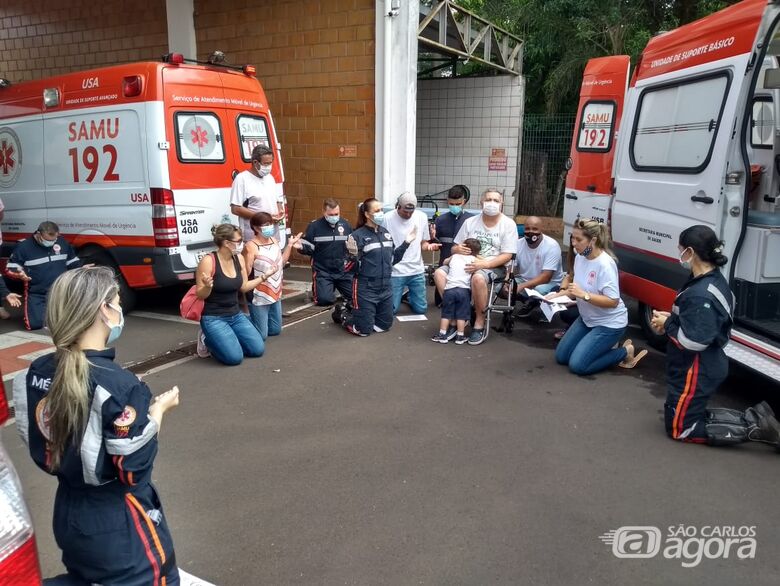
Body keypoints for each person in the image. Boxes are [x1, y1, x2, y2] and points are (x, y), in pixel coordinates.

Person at [14, 266, 181, 585]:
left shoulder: (36, 371)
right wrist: (157, 411)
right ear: (104, 309)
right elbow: (132, 469)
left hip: (68, 511)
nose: (120, 308)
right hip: (119, 520)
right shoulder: (120, 385)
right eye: (117, 301)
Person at [650, 225, 780, 448]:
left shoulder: (701, 294)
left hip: (696, 368)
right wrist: (670, 319)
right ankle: (756, 418)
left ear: (690, 252)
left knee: (681, 430)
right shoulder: (709, 279)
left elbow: (694, 341)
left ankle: (756, 429)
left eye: (680, 249)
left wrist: (668, 323)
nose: (678, 253)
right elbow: (698, 322)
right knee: (687, 414)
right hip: (699, 365)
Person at [554, 218, 646, 375]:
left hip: (609, 324)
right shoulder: (580, 257)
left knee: (578, 366)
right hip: (587, 319)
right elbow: (575, 288)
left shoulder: (605, 264)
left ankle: (625, 351)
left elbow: (613, 301)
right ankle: (600, 347)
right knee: (561, 357)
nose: (573, 243)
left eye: (578, 239)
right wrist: (554, 297)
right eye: (572, 237)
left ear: (593, 240)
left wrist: (585, 296)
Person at [433, 189, 517, 345]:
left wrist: (485, 264)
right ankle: (455, 315)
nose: (492, 203)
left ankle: (479, 321)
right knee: (439, 273)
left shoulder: (508, 224)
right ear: (481, 202)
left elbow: (508, 255)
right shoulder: (470, 222)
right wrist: (457, 249)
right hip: (463, 263)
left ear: (502, 204)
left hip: (492, 266)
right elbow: (455, 247)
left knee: (478, 278)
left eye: (496, 200)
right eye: (488, 199)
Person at [339, 197, 415, 336]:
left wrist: (406, 243)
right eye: (377, 210)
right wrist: (352, 256)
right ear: (367, 214)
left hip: (385, 287)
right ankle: (343, 314)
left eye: (381, 210)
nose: (381, 213)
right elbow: (348, 268)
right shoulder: (356, 236)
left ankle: (359, 312)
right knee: (364, 331)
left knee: (383, 326)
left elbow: (392, 259)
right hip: (365, 288)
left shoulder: (385, 233)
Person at [195, 224, 266, 365]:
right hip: (214, 317)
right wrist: (208, 286)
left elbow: (244, 287)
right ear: (226, 243)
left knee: (257, 350)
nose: (241, 244)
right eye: (238, 241)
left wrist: (264, 277)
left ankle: (226, 339)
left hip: (236, 314)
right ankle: (206, 338)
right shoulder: (209, 261)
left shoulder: (238, 258)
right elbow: (200, 295)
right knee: (234, 358)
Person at [6, 221, 82, 330]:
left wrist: (82, 268)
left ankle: (56, 315)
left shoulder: (62, 242)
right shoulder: (24, 247)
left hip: (61, 290)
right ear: (39, 234)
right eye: (48, 240)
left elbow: (72, 262)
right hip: (37, 292)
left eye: (54, 239)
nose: (52, 243)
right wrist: (18, 274)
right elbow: (10, 268)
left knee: (72, 321)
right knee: (35, 324)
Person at [243, 212, 302, 340]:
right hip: (258, 294)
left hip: (275, 291)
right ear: (256, 228)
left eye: (270, 224)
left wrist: (290, 245)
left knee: (275, 330)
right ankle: (239, 321)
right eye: (266, 225)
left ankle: (253, 320)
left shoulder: (274, 240)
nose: (270, 227)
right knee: (262, 335)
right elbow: (246, 274)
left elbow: (282, 262)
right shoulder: (250, 246)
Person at [383, 192, 440, 315]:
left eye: (411, 212)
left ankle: (408, 296)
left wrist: (429, 246)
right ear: (397, 206)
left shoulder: (421, 217)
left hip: (416, 269)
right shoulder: (387, 218)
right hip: (396, 270)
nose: (408, 214)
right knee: (391, 311)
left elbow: (423, 243)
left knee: (421, 310)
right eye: (405, 211)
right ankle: (402, 296)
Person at [298, 198, 353, 306]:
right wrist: (301, 247)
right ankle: (323, 288)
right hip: (323, 271)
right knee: (324, 300)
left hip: (342, 271)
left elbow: (351, 247)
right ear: (324, 212)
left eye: (336, 214)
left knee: (357, 297)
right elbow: (308, 247)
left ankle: (335, 288)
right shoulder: (314, 227)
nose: (334, 217)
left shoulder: (346, 225)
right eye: (331, 214)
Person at [229, 144, 285, 244]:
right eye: (266, 164)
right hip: (253, 236)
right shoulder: (242, 179)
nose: (269, 167)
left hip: (272, 234)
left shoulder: (270, 178)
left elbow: (277, 200)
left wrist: (280, 210)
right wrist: (263, 218)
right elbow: (235, 208)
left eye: (270, 163)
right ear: (255, 162)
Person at [512, 216, 565, 318]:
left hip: (550, 283)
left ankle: (536, 303)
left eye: (535, 229)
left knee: (539, 289)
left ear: (541, 229)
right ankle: (530, 301)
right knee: (501, 287)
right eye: (527, 228)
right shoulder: (518, 244)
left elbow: (546, 277)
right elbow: (512, 268)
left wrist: (521, 286)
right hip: (525, 280)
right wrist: (508, 281)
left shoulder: (551, 246)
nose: (531, 232)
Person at [431, 238, 481, 345]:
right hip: (463, 290)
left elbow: (445, 262)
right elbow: (482, 263)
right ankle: (460, 336)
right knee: (461, 315)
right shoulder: (473, 259)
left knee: (446, 314)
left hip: (449, 289)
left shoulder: (454, 256)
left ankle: (442, 335)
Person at [432, 185, 474, 306]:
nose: (454, 206)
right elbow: (434, 243)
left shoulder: (471, 220)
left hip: (464, 268)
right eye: (452, 204)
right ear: (447, 202)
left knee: (463, 298)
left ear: (464, 202)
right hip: (445, 265)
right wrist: (432, 240)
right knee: (439, 302)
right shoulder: (440, 220)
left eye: (457, 204)